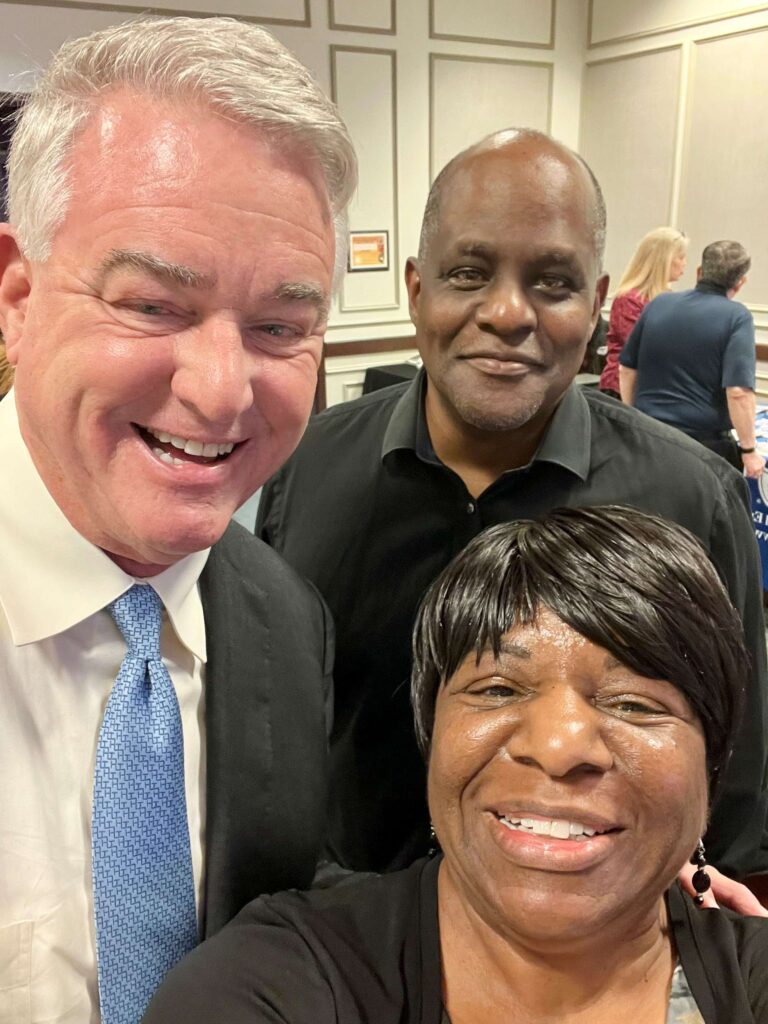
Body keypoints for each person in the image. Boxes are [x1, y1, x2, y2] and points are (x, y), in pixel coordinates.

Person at [256, 128, 768, 882]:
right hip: (351, 924)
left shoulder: (692, 499)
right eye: (467, 273)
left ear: (596, 305)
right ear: (416, 289)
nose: (506, 313)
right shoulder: (304, 464)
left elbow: (736, 762)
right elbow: (273, 710)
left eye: (553, 283)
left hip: (586, 929)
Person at [0, 17, 355, 1021]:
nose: (220, 390)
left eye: (280, 328)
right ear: (17, 294)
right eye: (153, 305)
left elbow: (283, 902)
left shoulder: (285, 619)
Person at [146, 506, 768, 1024]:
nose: (558, 747)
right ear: (432, 734)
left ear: (712, 763)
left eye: (634, 703)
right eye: (498, 689)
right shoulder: (277, 985)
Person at [619, 241, 764, 477]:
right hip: (702, 449)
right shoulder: (737, 317)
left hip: (647, 437)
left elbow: (626, 369)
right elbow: (738, 392)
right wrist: (748, 450)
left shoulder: (658, 303)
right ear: (740, 282)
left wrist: (632, 414)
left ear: (699, 272)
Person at [598, 226, 688, 398]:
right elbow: (641, 348)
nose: (685, 263)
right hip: (624, 391)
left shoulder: (671, 299)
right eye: (681, 257)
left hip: (657, 388)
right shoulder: (628, 299)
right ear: (664, 260)